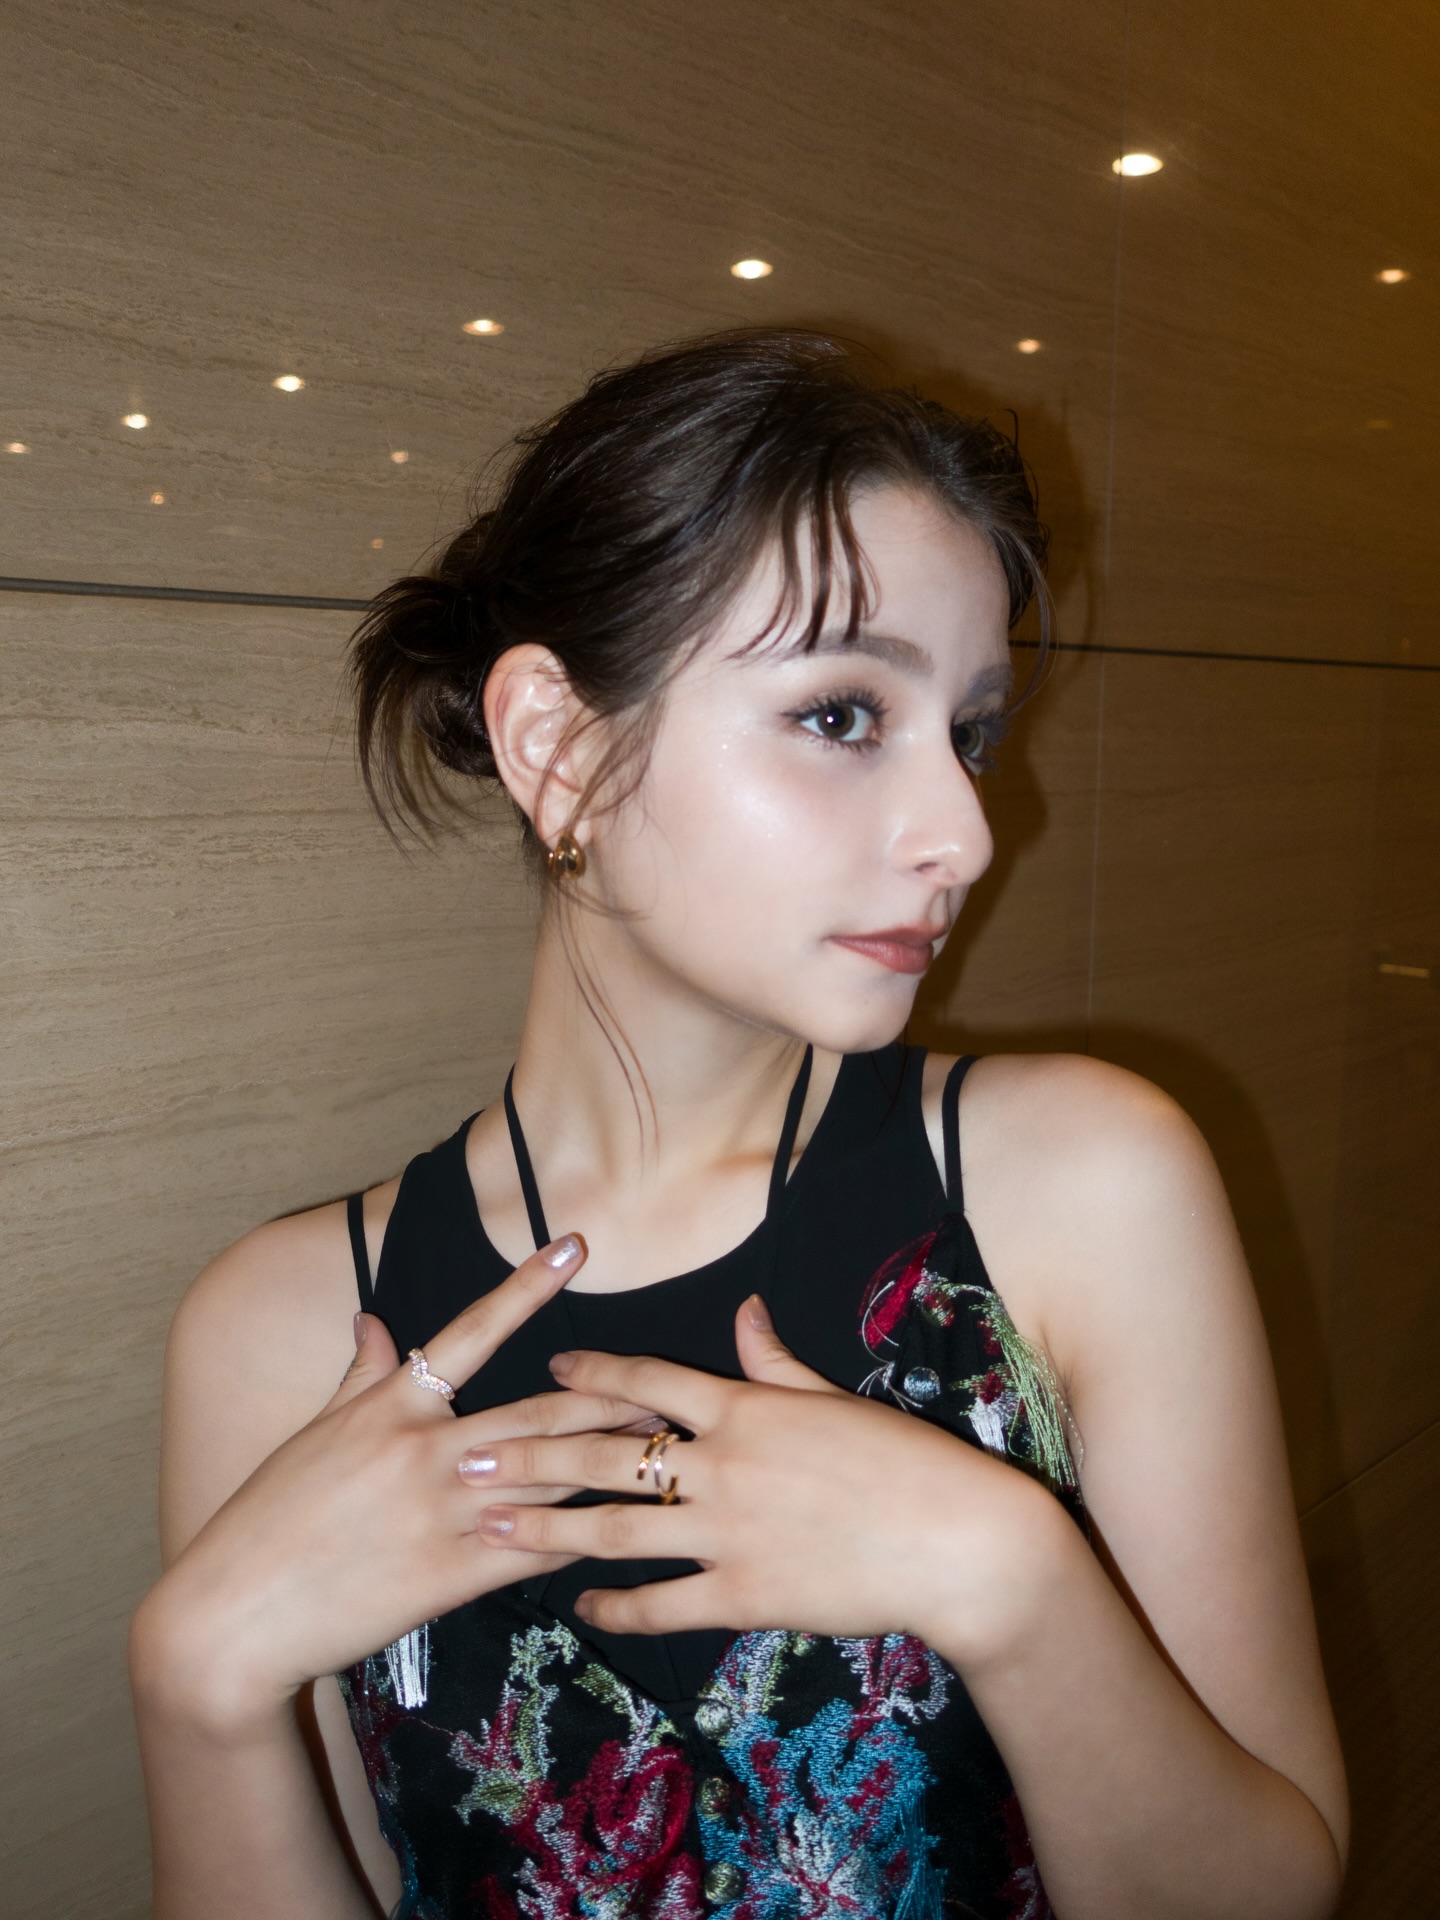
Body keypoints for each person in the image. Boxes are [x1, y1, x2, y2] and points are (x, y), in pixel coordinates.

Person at [130, 330, 1347, 1920]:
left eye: (971, 731)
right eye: (843, 714)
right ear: (559, 746)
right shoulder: (284, 1334)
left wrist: (1011, 1581)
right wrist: (197, 1682)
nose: (968, 832)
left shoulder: (1079, 1186)